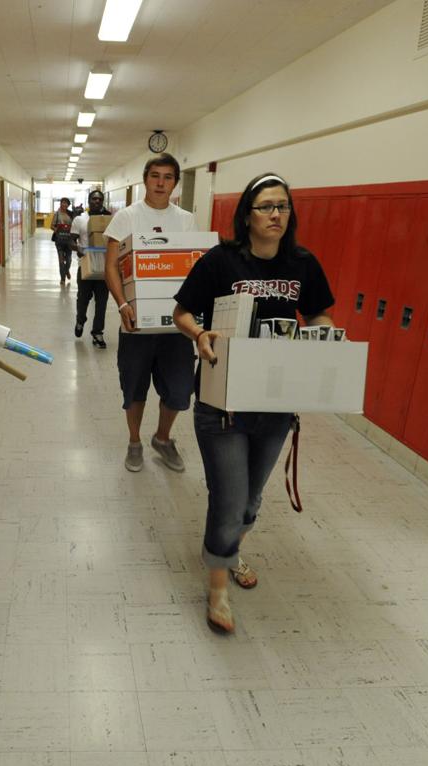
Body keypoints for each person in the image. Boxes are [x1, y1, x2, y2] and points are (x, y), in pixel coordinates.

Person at [173, 173, 335, 634]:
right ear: (247, 214)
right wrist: (200, 333)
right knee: (228, 500)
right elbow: (182, 311)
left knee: (251, 501)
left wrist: (321, 335)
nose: (276, 215)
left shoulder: (303, 263)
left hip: (275, 403)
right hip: (222, 403)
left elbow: (321, 311)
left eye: (283, 206)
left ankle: (229, 550)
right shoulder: (220, 262)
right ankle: (218, 586)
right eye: (266, 207)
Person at [104, 153, 197, 472]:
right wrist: (122, 304)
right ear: (145, 179)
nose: (160, 183)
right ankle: (134, 441)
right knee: (134, 388)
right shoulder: (127, 217)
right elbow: (111, 267)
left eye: (168, 177)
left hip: (175, 325)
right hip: (136, 326)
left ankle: (162, 437)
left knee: (181, 391)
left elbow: (191, 267)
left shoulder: (186, 219)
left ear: (175, 183)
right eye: (155, 175)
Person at [71, 189, 112, 348]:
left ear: (102, 202)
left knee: (102, 302)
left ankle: (97, 333)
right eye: (94, 199)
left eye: (99, 199)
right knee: (83, 299)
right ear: (89, 201)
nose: (97, 201)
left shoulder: (108, 220)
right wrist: (78, 249)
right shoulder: (80, 220)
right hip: (87, 265)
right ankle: (80, 320)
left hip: (103, 267)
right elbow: (71, 241)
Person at [51, 197, 75, 285]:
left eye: (66, 203)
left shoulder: (71, 214)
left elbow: (75, 224)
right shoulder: (57, 214)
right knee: (61, 261)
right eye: (62, 202)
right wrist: (56, 229)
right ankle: (62, 279)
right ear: (60, 204)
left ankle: (67, 270)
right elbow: (52, 226)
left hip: (69, 240)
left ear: (68, 205)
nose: (64, 204)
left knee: (68, 260)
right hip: (59, 240)